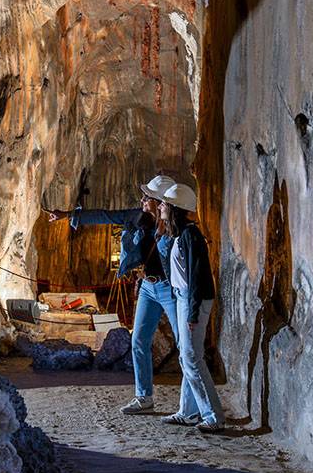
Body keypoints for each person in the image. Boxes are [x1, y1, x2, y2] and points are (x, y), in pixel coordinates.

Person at [45, 175, 178, 414]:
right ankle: (143, 397)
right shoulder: (134, 217)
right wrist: (67, 215)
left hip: (169, 289)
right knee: (139, 341)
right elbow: (105, 215)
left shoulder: (172, 225)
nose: (142, 200)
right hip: (148, 287)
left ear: (160, 202)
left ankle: (192, 406)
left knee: (185, 345)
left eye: (148, 197)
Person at [157, 183, 225, 433]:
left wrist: (193, 313)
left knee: (192, 358)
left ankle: (213, 416)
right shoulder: (179, 235)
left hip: (192, 299)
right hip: (182, 297)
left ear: (175, 208)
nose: (161, 206)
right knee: (186, 357)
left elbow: (197, 277)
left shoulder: (191, 236)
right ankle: (188, 411)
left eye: (165, 203)